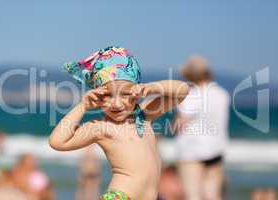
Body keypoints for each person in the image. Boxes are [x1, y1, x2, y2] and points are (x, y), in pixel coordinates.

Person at [49, 46, 189, 200]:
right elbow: (57, 142)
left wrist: (151, 87)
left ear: (136, 94)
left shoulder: (145, 115)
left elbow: (182, 90)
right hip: (120, 196)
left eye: (125, 94)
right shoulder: (102, 127)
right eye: (108, 95)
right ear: (98, 96)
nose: (116, 103)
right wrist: (83, 106)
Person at [173, 55, 230, 200]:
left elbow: (179, 124)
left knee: (193, 195)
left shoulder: (191, 95)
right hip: (217, 149)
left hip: (192, 151)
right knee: (213, 195)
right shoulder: (222, 94)